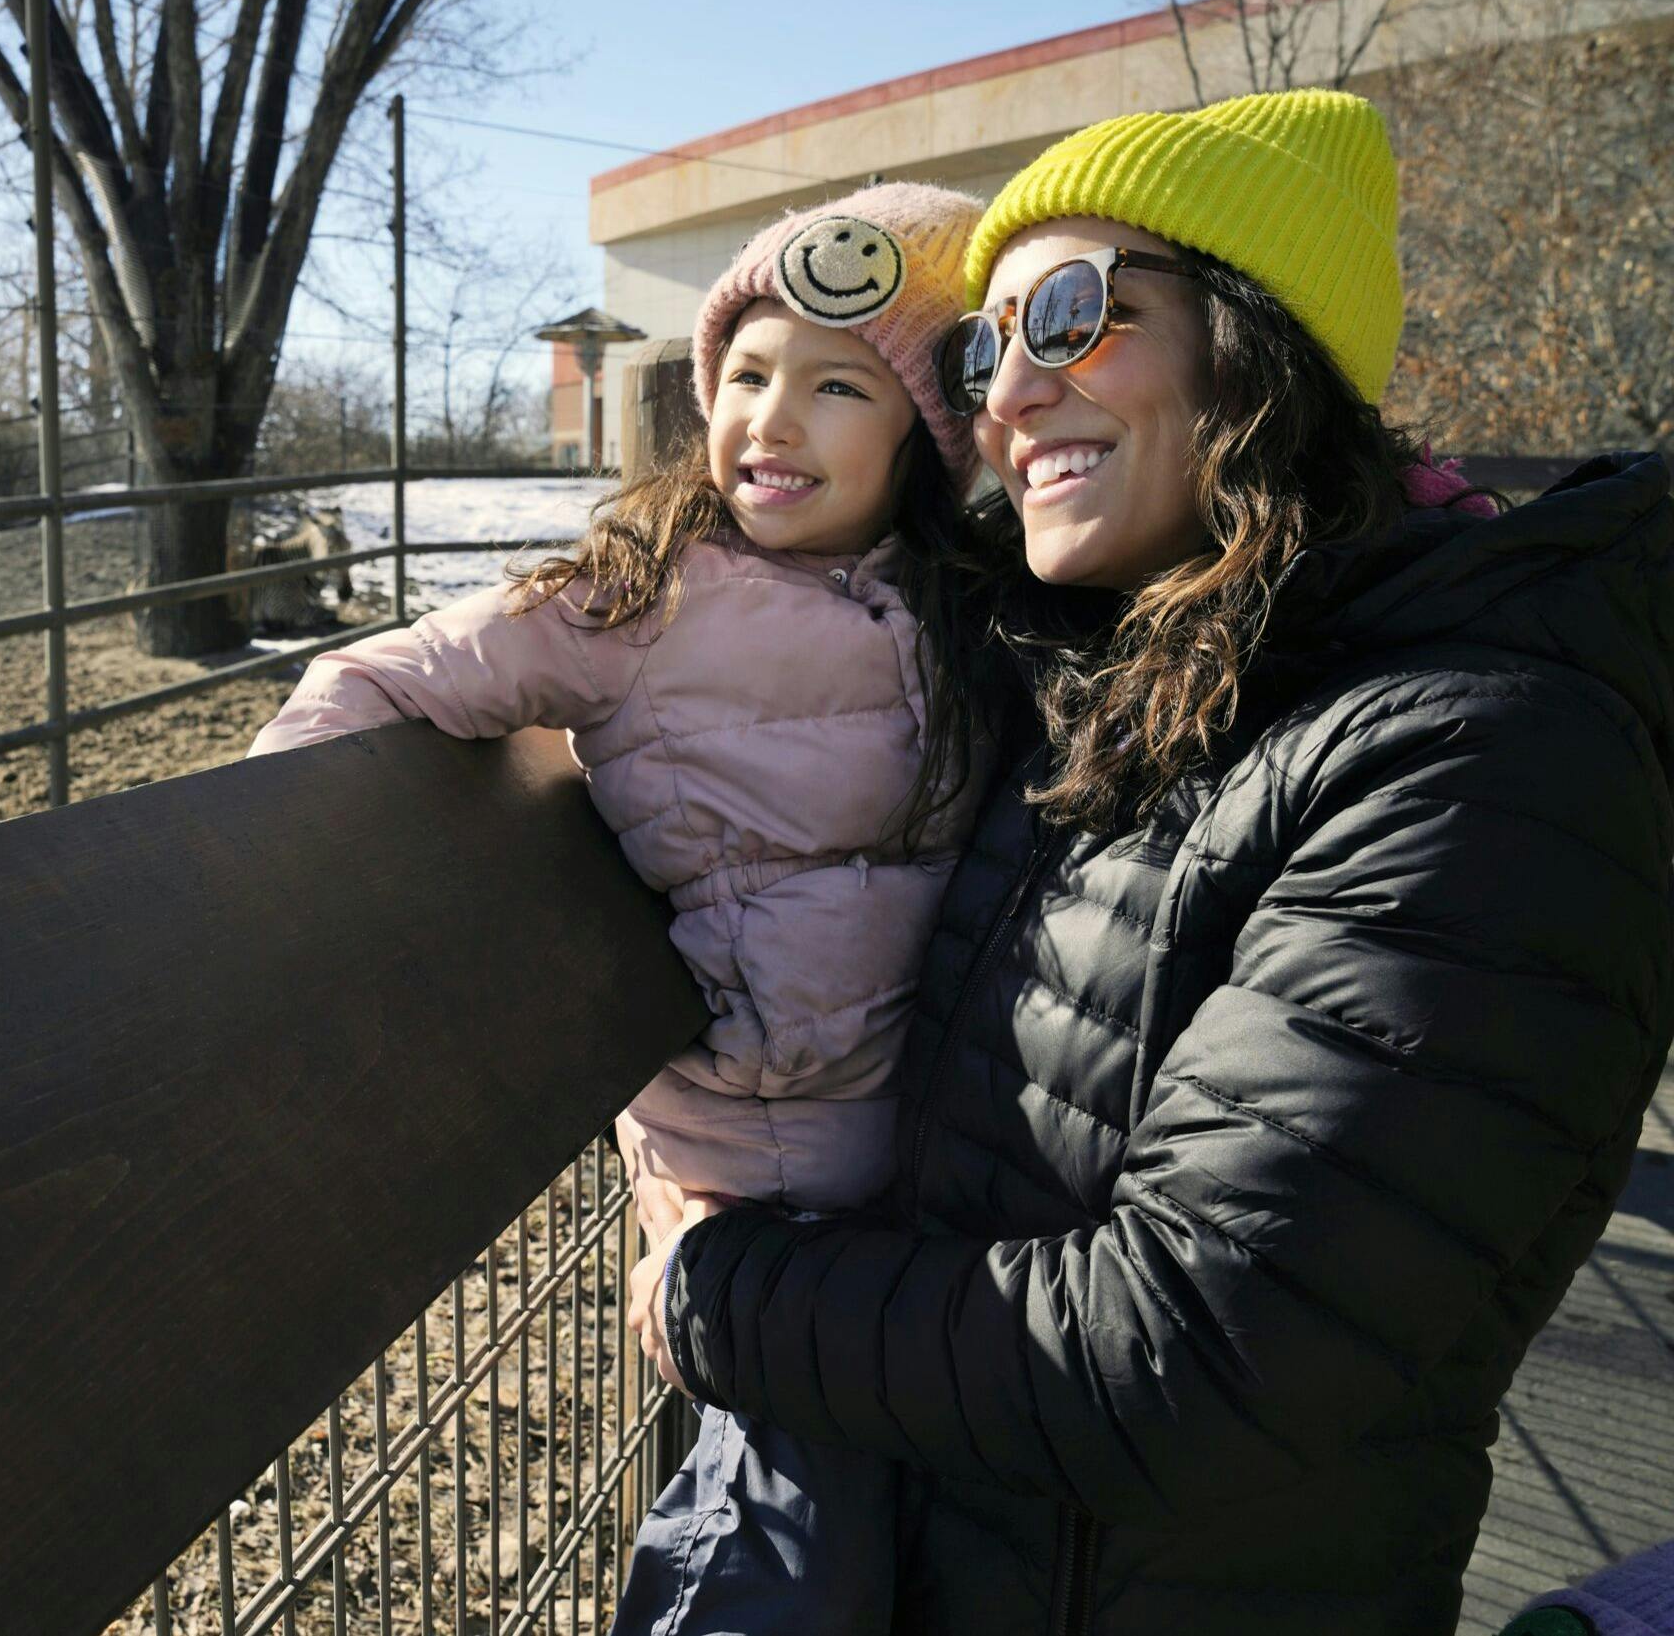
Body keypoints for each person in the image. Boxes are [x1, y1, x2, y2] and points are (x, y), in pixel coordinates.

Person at [632, 88, 1674, 1634]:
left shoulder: (1483, 758)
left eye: (1069, 312)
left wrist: (714, 1293)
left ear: (1258, 339)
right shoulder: (1119, 682)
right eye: (985, 354)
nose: (1007, 398)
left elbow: (1193, 1348)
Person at [249, 183, 994, 1634]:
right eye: (747, 375)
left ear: (927, 435)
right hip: (753, 1207)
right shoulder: (640, 592)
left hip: (928, 1187)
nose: (770, 419)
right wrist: (262, 865)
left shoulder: (961, 606)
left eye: (839, 385)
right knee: (785, 1558)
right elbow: (386, 677)